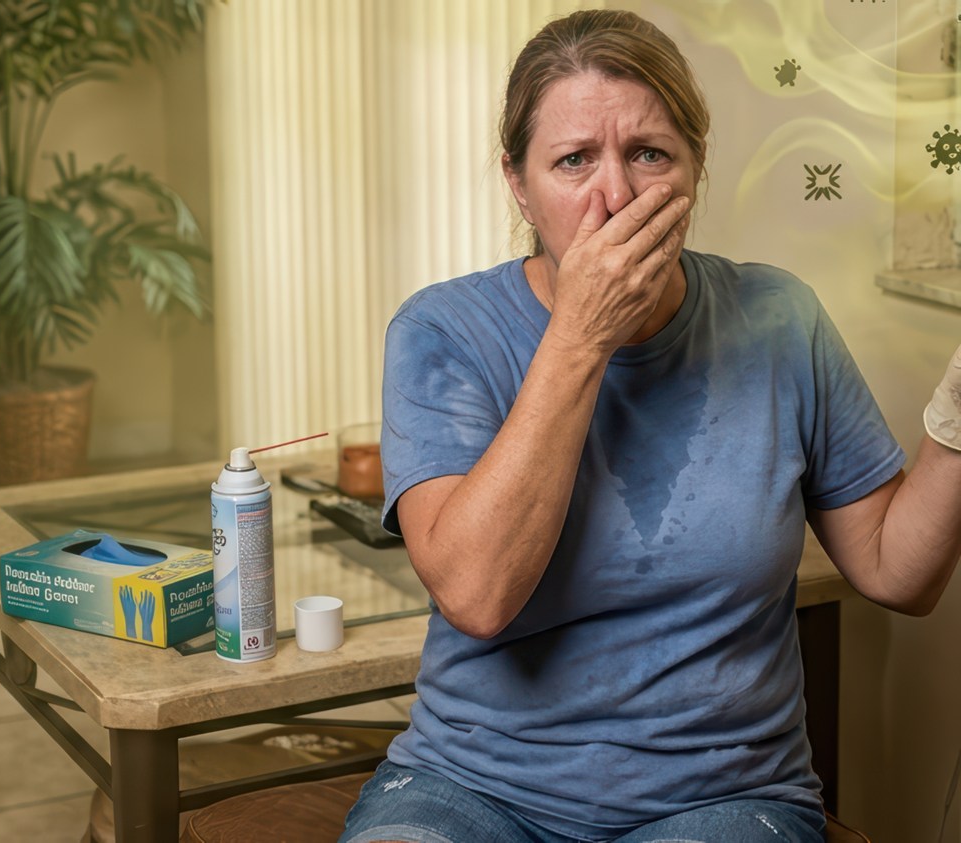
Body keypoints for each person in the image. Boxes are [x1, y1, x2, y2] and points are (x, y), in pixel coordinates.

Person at [341, 9, 961, 843]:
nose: (617, 196)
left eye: (649, 154)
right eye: (572, 161)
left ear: (695, 169)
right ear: (517, 184)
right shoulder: (443, 330)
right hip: (472, 788)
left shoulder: (780, 318)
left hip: (722, 798)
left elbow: (897, 570)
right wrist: (582, 335)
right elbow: (478, 596)